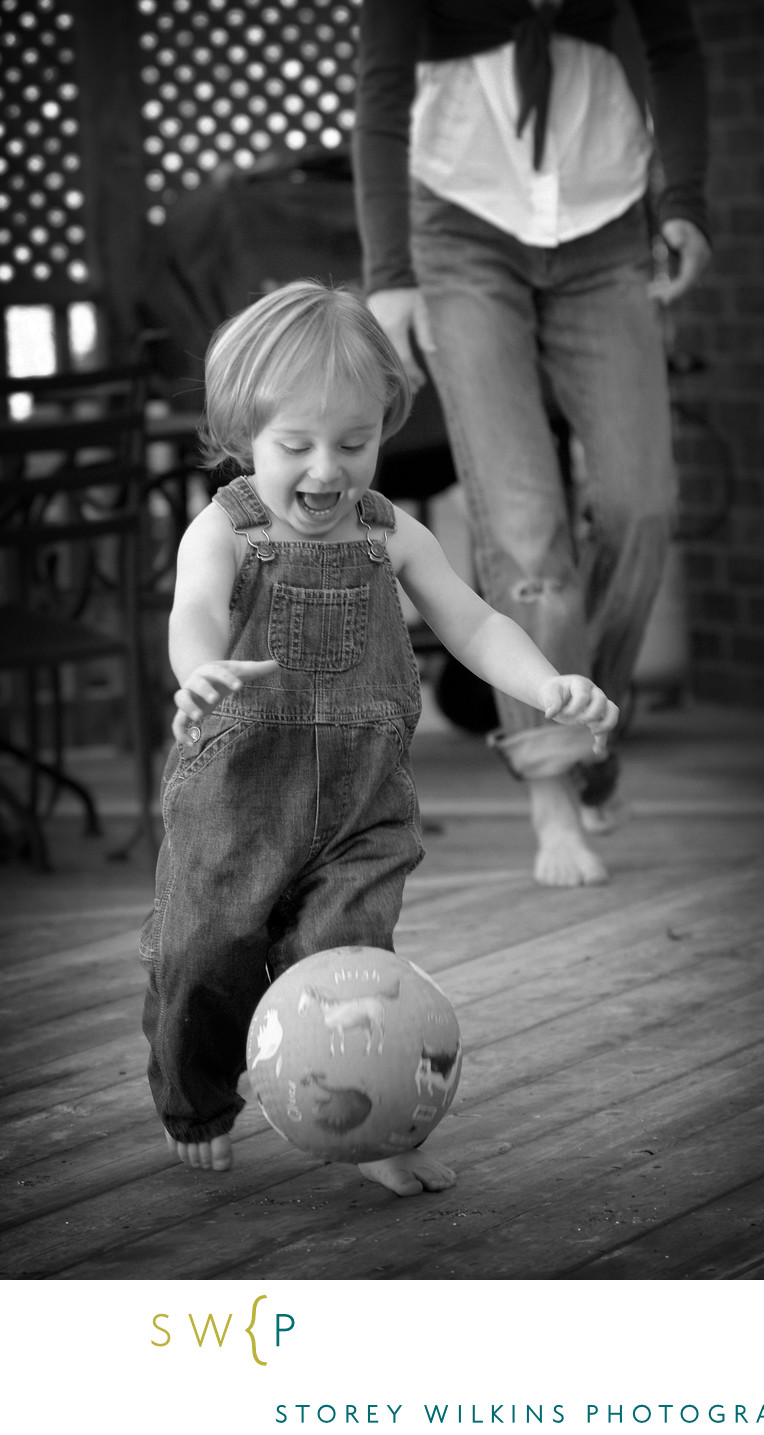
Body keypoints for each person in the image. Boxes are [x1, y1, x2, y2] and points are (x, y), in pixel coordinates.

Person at [140, 281, 618, 1195]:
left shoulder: (388, 532)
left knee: (350, 971)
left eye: (354, 443)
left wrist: (544, 684)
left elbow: (474, 622)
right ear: (243, 433)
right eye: (296, 445)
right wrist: (197, 667)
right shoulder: (225, 529)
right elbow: (192, 609)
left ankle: (371, 1127)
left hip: (362, 806)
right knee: (202, 954)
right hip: (237, 795)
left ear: (383, 428)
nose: (327, 470)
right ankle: (196, 1100)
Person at [352, 0, 711, 887]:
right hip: (460, 227)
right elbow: (381, 91)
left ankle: (591, 725)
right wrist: (389, 272)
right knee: (523, 528)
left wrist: (686, 200)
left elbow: (672, 45)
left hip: (606, 219)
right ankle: (555, 789)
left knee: (642, 506)